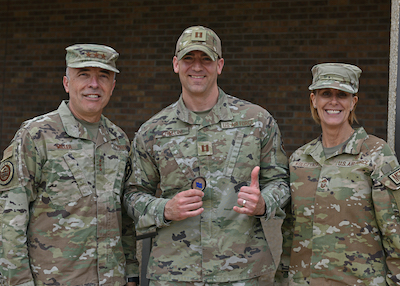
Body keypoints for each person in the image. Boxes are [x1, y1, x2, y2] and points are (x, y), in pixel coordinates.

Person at [124, 25, 290, 285]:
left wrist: (264, 203)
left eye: (206, 59)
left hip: (241, 271)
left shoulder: (256, 122)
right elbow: (132, 195)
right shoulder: (152, 131)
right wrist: (164, 208)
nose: (197, 67)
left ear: (220, 65)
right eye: (189, 58)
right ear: (176, 64)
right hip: (174, 272)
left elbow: (280, 181)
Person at [0, 44, 139, 286]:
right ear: (66, 83)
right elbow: (10, 219)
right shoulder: (36, 135)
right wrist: (17, 282)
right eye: (83, 74)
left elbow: (123, 219)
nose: (94, 84)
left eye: (103, 76)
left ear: (113, 86)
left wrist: (131, 273)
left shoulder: (118, 141)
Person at [276, 63, 400, 285]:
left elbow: (395, 232)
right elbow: (290, 234)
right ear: (313, 100)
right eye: (325, 94)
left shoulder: (376, 154)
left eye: (342, 94)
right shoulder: (298, 160)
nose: (333, 102)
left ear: (353, 102)